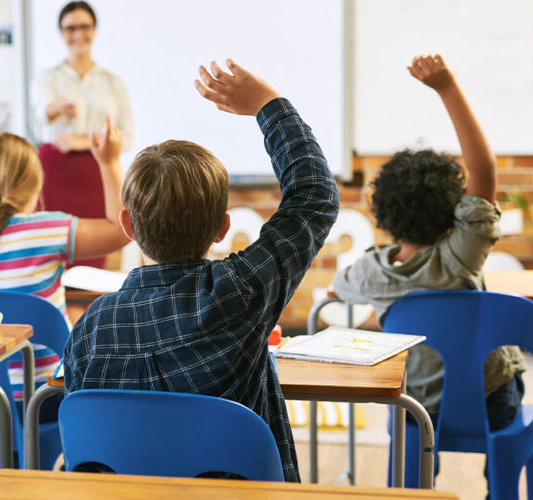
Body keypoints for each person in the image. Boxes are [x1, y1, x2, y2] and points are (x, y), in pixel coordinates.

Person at [64, 59, 340, 482]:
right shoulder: (240, 293)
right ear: (222, 229)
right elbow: (315, 195)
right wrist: (268, 104)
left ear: (127, 227)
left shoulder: (91, 328)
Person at [330, 55, 525, 477]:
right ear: (455, 208)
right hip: (491, 398)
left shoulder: (370, 273)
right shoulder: (461, 255)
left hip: (416, 407)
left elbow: (338, 289)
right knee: (507, 391)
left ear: (382, 213)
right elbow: (484, 171)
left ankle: (413, 485)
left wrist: (344, 294)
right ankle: (500, 484)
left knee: (402, 419)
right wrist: (447, 87)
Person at [0, 118, 130, 418]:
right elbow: (123, 229)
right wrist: (109, 161)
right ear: (36, 184)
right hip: (43, 398)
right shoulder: (49, 229)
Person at [33, 1, 133, 269]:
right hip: (54, 171)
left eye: (84, 27)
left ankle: (90, 311)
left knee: (95, 252)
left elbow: (126, 135)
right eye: (70, 28)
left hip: (97, 171)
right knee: (50, 247)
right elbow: (38, 116)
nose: (78, 34)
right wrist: (55, 109)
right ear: (60, 33)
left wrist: (81, 141)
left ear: (95, 30)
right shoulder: (48, 77)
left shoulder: (113, 82)